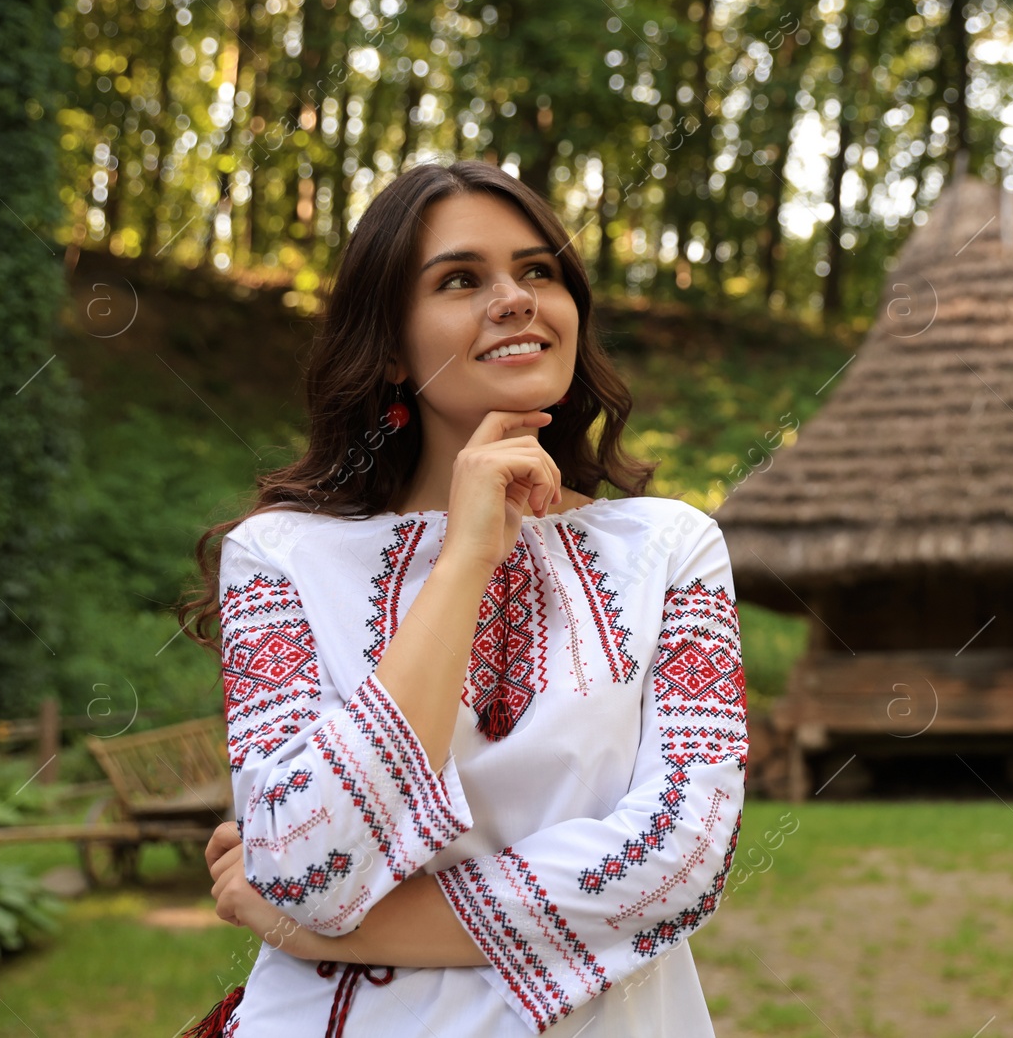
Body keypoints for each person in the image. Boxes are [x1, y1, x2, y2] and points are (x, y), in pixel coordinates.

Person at [175, 160, 749, 1037]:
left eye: (540, 271)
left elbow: (681, 858)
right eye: (460, 279)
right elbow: (306, 862)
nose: (515, 297)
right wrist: (466, 557)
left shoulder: (669, 548)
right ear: (393, 345)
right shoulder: (279, 556)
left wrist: (355, 925)